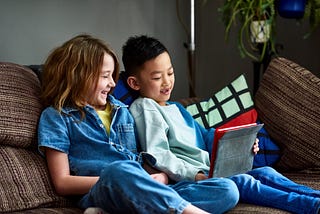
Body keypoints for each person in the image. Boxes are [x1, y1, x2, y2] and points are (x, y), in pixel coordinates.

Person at [37, 34, 240, 214]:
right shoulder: (56, 116)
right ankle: (185, 210)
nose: (112, 84)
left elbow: (136, 158)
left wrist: (158, 176)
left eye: (113, 76)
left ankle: (139, 206)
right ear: (79, 76)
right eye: (105, 76)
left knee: (227, 190)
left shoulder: (122, 111)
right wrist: (128, 179)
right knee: (119, 170)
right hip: (102, 189)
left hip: (142, 187)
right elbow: (62, 183)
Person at [122, 35, 320, 214]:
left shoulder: (175, 108)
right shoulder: (144, 107)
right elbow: (159, 154)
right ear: (134, 83)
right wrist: (197, 175)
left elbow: (207, 137)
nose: (167, 82)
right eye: (157, 77)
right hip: (183, 182)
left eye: (171, 73)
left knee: (265, 172)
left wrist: (242, 143)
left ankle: (315, 198)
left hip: (209, 173)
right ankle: (311, 206)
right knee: (236, 186)